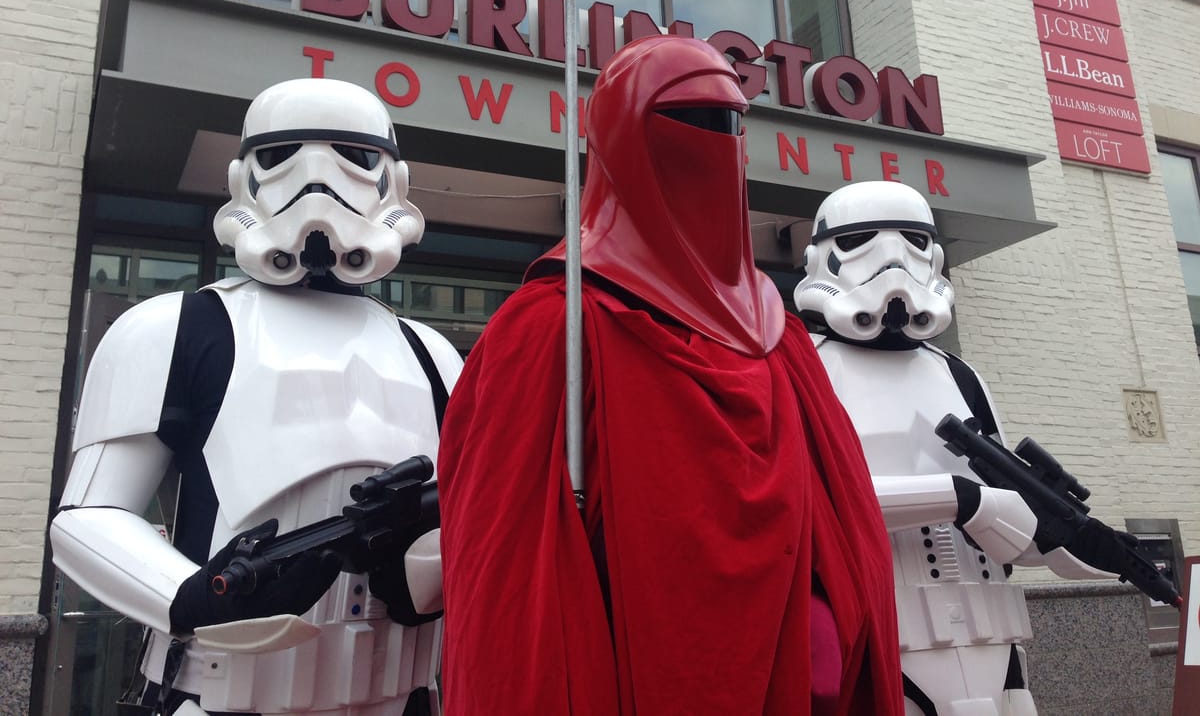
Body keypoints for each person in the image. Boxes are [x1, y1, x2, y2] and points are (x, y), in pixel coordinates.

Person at [437, 35, 903, 716]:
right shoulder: (552, 327)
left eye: (732, 124)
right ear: (623, 139)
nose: (719, 142)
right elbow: (509, 587)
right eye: (694, 121)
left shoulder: (781, 338)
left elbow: (847, 536)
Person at [50, 78, 463, 715]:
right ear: (245, 176)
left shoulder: (432, 354)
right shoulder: (175, 329)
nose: (317, 179)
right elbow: (87, 519)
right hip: (220, 696)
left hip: (402, 696)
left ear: (393, 182)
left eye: (353, 155)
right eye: (283, 155)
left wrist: (422, 571)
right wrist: (193, 597)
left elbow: (471, 514)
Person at [793, 179, 1111, 716]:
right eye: (863, 238)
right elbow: (807, 500)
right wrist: (961, 498)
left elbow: (1012, 513)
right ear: (821, 258)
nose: (892, 259)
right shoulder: (805, 367)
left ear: (935, 254)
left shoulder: (959, 375)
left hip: (996, 641)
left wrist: (1060, 543)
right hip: (876, 638)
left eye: (913, 239)